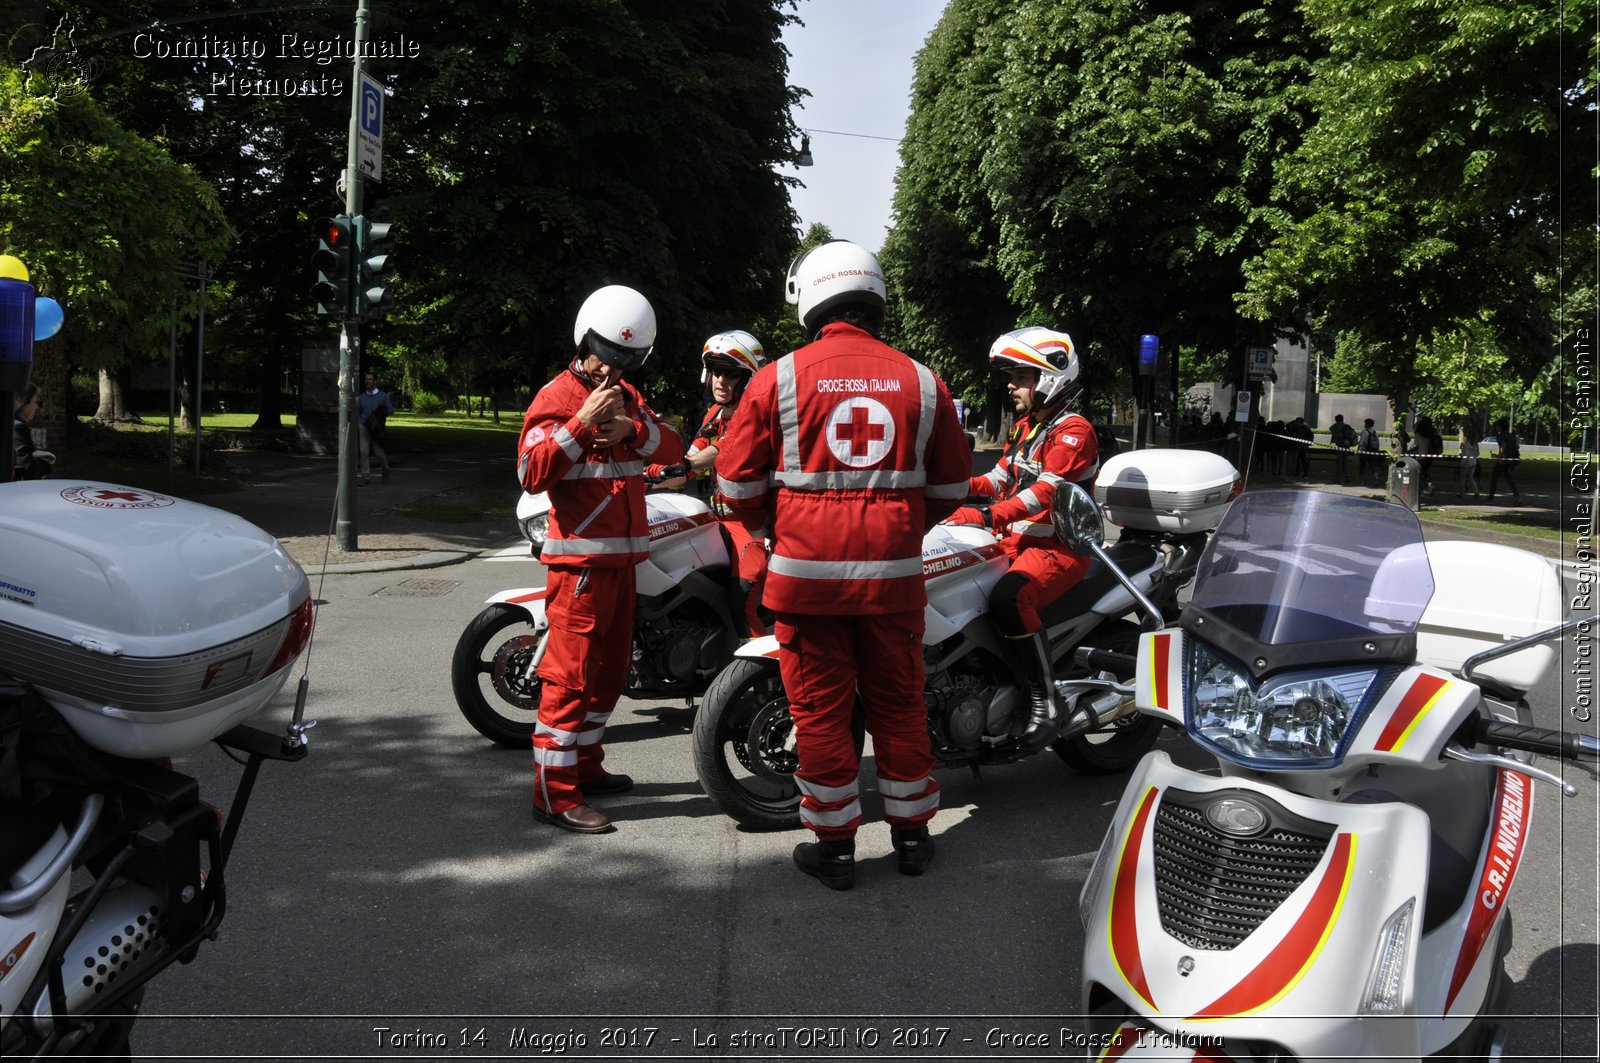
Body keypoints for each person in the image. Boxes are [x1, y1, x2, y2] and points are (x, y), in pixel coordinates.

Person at [714, 240, 971, 890]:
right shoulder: (922, 381)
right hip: (893, 584)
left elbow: (736, 486)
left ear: (814, 296)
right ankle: (913, 837)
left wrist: (778, 525)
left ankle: (836, 852)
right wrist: (900, 526)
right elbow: (950, 487)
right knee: (900, 707)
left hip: (806, 588)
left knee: (822, 717)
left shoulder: (779, 377)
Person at [517, 285, 684, 834]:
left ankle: (585, 767)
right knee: (568, 681)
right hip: (581, 569)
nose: (612, 369)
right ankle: (553, 794)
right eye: (606, 356)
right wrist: (582, 423)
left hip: (620, 566)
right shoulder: (558, 397)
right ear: (584, 340)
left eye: (625, 360)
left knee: (608, 677)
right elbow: (530, 472)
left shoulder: (629, 397)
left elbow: (673, 448)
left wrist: (633, 430)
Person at [948, 326, 1101, 759]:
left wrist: (988, 514)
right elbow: (999, 479)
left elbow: (1046, 491)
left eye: (1020, 376)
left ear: (1049, 377)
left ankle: (1045, 702)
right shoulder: (1027, 427)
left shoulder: (1074, 431)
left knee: (1008, 600)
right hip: (1016, 545)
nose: (1011, 386)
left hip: (1060, 549)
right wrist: (947, 488)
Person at [648, 330, 770, 637]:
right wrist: (647, 477)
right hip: (717, 519)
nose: (720, 381)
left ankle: (755, 674)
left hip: (753, 526)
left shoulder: (756, 415)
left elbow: (720, 451)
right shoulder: (715, 414)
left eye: (730, 374)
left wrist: (688, 464)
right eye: (716, 372)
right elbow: (687, 465)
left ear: (748, 379)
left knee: (743, 596)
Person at [11, 384, 55, 480]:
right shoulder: (17, 427)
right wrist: (45, 463)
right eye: (34, 402)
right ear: (22, 402)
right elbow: (26, 466)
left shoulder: (14, 423)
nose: (36, 407)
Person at [356, 372, 393, 485]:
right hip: (364, 426)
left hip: (376, 428)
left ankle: (385, 468)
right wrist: (359, 423)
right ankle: (366, 477)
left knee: (378, 453)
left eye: (370, 379)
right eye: (366, 379)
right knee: (363, 452)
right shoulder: (361, 397)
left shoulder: (383, 396)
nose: (368, 381)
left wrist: (380, 408)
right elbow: (358, 411)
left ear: (375, 381)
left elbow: (390, 411)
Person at [1485, 418, 1521, 503]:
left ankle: (1491, 498)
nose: (1496, 427)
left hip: (1502, 461)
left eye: (1497, 426)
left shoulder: (1500, 435)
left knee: (1494, 478)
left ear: (1500, 427)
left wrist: (1499, 457)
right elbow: (1512, 448)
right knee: (1509, 479)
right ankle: (1517, 496)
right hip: (1509, 460)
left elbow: (1503, 446)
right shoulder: (1511, 435)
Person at [1412, 415, 1442, 497]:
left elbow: (1416, 444)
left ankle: (1420, 489)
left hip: (1421, 454)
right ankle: (1430, 484)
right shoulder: (1432, 431)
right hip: (1431, 454)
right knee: (1424, 471)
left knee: (1420, 472)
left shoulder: (1419, 432)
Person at [1329, 414, 1356, 484]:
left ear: (1336, 419)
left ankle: (1338, 479)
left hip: (1340, 445)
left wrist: (1336, 436)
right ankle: (1346, 477)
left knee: (1339, 462)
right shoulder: (1347, 426)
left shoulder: (1336, 426)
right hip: (1346, 446)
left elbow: (1331, 429)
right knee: (1344, 462)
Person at [1357, 418, 1382, 486]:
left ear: (1367, 424)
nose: (1364, 425)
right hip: (1373, 451)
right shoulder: (1375, 432)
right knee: (1373, 466)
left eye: (1365, 423)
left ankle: (1361, 481)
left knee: (1362, 466)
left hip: (1365, 451)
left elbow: (1361, 443)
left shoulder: (1364, 432)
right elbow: (1377, 443)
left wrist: (1358, 450)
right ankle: (1376, 480)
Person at [1457, 429, 1481, 500]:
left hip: (1466, 462)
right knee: (1471, 478)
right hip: (1473, 462)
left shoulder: (1465, 443)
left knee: (1463, 478)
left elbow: (1465, 454)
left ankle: (1462, 493)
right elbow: (1478, 454)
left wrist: (1462, 462)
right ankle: (1476, 492)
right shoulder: (1476, 444)